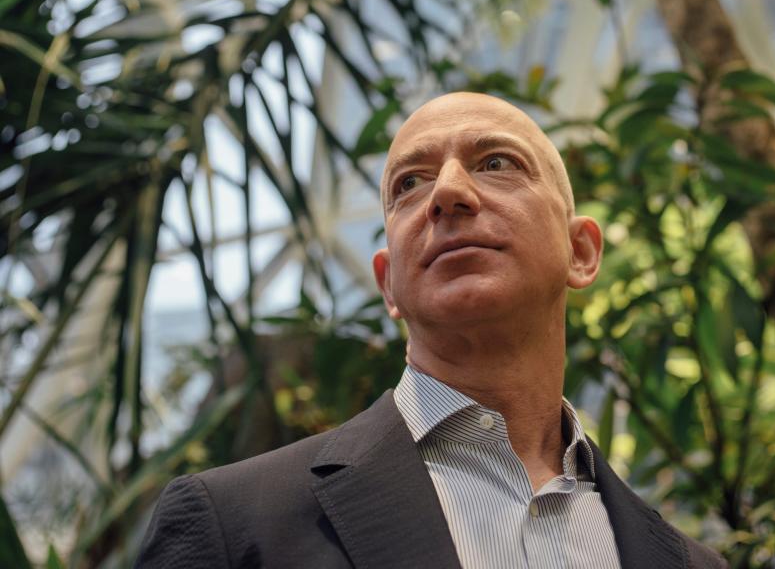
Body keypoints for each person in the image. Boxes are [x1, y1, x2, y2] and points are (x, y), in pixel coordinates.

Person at [136, 92, 726, 568]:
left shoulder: (690, 563)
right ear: (389, 285)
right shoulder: (233, 525)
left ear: (580, 252)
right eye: (409, 184)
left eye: (497, 163)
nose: (447, 193)